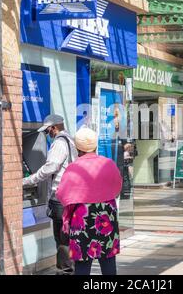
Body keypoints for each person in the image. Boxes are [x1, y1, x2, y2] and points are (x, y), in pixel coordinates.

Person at [56, 127, 122, 275]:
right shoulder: (108, 164)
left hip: (82, 218)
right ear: (95, 145)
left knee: (83, 263)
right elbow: (117, 187)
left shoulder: (74, 168)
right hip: (107, 216)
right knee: (108, 260)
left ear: (77, 148)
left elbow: (62, 194)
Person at [22, 114, 78, 275]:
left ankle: (65, 270)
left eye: (47, 131)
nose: (48, 135)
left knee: (61, 237)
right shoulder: (71, 140)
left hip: (60, 197)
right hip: (70, 195)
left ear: (54, 127)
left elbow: (50, 167)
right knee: (67, 234)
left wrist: (27, 180)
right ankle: (70, 268)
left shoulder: (59, 143)